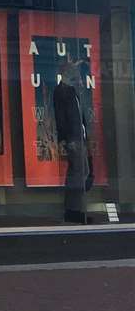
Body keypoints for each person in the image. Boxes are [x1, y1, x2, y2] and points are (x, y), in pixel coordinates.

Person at [52, 56, 90, 224]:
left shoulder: (73, 90)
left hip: (79, 136)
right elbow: (61, 118)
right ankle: (73, 210)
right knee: (77, 173)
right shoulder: (61, 91)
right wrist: (66, 139)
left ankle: (75, 208)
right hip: (73, 137)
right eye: (71, 70)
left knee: (82, 172)